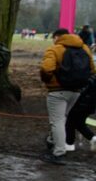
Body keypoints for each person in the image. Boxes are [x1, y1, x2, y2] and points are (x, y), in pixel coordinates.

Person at [39, 28, 95, 164]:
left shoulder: (54, 49)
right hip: (77, 91)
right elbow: (92, 69)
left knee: (57, 121)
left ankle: (59, 152)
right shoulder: (85, 48)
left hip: (57, 90)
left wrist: (49, 80)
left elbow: (46, 68)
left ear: (57, 37)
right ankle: (52, 141)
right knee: (63, 118)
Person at [65, 74, 96, 151]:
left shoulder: (89, 78)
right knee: (79, 123)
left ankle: (69, 144)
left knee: (70, 122)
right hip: (90, 105)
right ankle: (93, 138)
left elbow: (82, 90)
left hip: (81, 104)